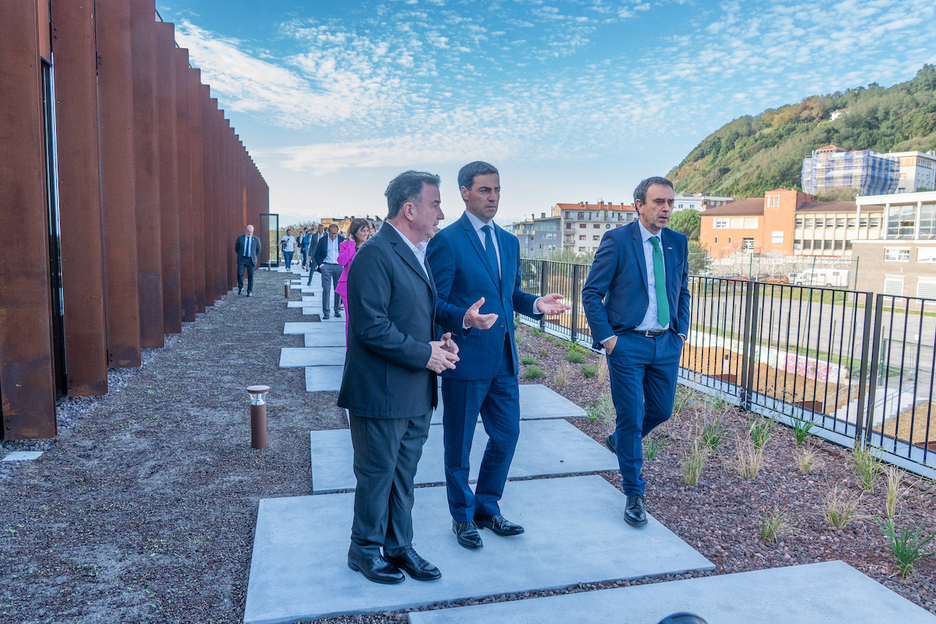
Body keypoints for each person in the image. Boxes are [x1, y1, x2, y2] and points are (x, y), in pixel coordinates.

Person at [427, 161, 570, 550]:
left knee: (507, 435)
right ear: (465, 192)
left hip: (503, 360)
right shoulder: (447, 241)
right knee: (458, 445)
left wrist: (537, 303)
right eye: (485, 190)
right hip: (464, 358)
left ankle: (487, 508)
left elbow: (511, 296)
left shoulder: (509, 242)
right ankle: (462, 516)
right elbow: (434, 302)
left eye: (497, 190)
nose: (492, 197)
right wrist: (464, 319)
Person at [337, 170, 459, 585]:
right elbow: (371, 327)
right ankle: (364, 551)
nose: (442, 213)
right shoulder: (375, 254)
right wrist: (426, 353)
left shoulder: (411, 251)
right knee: (377, 476)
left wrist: (440, 340)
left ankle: (399, 546)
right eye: (436, 204)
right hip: (381, 391)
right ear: (410, 209)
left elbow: (414, 313)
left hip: (413, 390)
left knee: (403, 476)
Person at [581, 176, 690, 527]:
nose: (666, 209)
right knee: (631, 417)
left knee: (661, 410)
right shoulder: (617, 241)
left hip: (666, 343)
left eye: (671, 202)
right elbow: (591, 293)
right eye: (659, 202)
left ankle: (618, 441)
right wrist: (609, 339)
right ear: (639, 205)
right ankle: (634, 493)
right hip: (627, 344)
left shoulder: (678, 242)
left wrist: (681, 332)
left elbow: (682, 290)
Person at [335, 218, 371, 337]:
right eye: (363, 231)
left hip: (366, 287)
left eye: (367, 230)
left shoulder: (371, 245)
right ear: (354, 232)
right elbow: (342, 261)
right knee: (350, 319)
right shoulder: (345, 245)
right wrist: (351, 245)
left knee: (366, 319)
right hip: (348, 286)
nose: (366, 233)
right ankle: (349, 350)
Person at [313, 224, 345, 319]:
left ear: (338, 232)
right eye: (331, 234)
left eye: (335, 234)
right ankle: (326, 312)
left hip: (338, 266)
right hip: (326, 266)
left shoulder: (341, 240)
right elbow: (317, 254)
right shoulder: (323, 240)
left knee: (338, 290)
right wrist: (321, 266)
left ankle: (337, 310)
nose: (333, 236)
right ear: (328, 232)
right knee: (326, 289)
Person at [234, 224, 261, 296]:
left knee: (250, 276)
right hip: (242, 258)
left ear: (253, 232)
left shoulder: (256, 239)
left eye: (251, 232)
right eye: (248, 231)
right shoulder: (240, 238)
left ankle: (249, 291)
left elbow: (258, 250)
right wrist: (240, 254)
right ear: (246, 230)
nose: (249, 233)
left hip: (251, 259)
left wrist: (253, 256)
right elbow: (237, 248)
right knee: (239, 273)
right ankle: (240, 287)